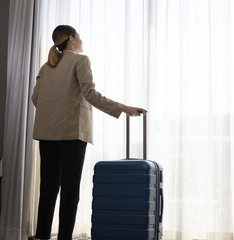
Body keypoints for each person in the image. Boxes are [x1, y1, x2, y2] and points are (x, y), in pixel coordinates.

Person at [31, 25, 146, 240]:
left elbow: (35, 99)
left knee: (47, 189)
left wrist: (54, 111)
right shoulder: (80, 61)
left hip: (46, 133)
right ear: (72, 39)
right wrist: (123, 108)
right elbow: (91, 94)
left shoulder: (46, 67)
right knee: (69, 189)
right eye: (80, 37)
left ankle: (41, 236)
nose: (81, 41)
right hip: (72, 134)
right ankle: (64, 237)